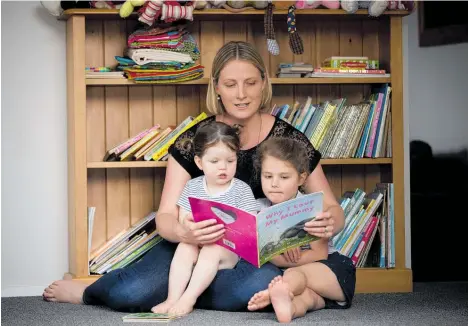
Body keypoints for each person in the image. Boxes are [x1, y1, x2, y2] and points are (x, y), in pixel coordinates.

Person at [42, 40, 343, 312]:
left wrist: (329, 221)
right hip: (189, 246)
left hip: (247, 257)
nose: (241, 94)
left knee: (257, 287)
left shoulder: (288, 139)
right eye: (230, 84)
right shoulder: (194, 141)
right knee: (131, 294)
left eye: (251, 83)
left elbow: (333, 210)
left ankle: (187, 293)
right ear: (217, 87)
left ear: (264, 84)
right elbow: (165, 217)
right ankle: (90, 290)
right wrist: (185, 234)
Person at [151, 121, 259, 316]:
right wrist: (190, 226)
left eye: (230, 161)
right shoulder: (193, 187)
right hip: (198, 241)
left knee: (211, 249)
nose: (223, 168)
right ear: (199, 163)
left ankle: (188, 298)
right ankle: (172, 298)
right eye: (214, 162)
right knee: (184, 247)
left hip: (227, 250)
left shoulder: (241, 189)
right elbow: (184, 218)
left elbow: (251, 225)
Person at [247, 137, 356, 323]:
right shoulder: (257, 209)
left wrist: (278, 256)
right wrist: (279, 248)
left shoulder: (310, 208)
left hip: (329, 271)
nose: (274, 184)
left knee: (294, 274)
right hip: (307, 288)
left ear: (301, 178)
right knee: (306, 299)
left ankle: (272, 292)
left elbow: (319, 255)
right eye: (268, 176)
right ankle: (288, 309)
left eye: (284, 177)